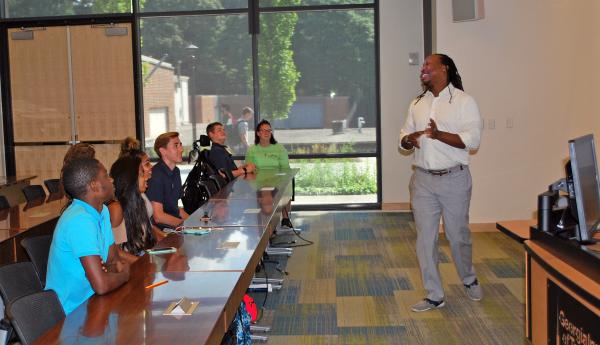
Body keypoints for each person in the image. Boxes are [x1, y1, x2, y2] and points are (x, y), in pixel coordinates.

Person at [399, 54, 483, 312]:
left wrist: (438, 135)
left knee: (458, 236)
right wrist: (408, 140)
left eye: (428, 65)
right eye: (422, 66)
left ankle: (468, 279)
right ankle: (434, 294)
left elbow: (473, 141)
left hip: (454, 179)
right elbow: (403, 136)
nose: (422, 68)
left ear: (444, 68)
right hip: (422, 180)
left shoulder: (463, 101)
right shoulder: (417, 102)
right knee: (426, 239)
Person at [46, 157, 130, 314]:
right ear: (94, 186)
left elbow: (113, 261)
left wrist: (110, 271)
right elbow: (101, 285)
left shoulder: (103, 211)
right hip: (70, 312)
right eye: (105, 175)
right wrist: (124, 275)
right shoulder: (79, 219)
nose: (111, 179)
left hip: (94, 301)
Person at [245, 120, 293, 228]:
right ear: (258, 133)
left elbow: (285, 168)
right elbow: (249, 168)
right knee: (264, 198)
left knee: (286, 189)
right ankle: (264, 225)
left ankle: (285, 219)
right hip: (258, 181)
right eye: (263, 130)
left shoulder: (279, 148)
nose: (267, 133)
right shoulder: (252, 150)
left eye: (269, 130)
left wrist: (282, 180)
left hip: (277, 181)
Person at [108, 155, 156, 257]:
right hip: (130, 265)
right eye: (141, 174)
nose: (146, 177)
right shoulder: (116, 208)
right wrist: (142, 263)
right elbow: (116, 253)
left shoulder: (140, 202)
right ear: (130, 179)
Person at [146, 132, 189, 229]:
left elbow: (175, 208)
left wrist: (194, 223)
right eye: (176, 146)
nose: (181, 149)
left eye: (180, 145)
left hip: (174, 225)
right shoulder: (156, 175)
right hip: (162, 230)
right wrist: (186, 226)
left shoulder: (176, 171)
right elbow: (158, 217)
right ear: (163, 151)